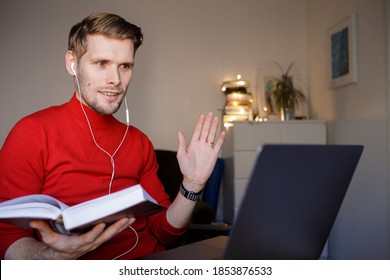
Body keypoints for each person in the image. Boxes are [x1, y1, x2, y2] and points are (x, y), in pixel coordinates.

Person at [0, 12, 225, 260]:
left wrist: (191, 185)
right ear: (72, 64)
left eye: (125, 66)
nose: (115, 80)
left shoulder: (138, 141)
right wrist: (51, 257)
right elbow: (6, 235)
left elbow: (164, 232)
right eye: (101, 63)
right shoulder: (32, 132)